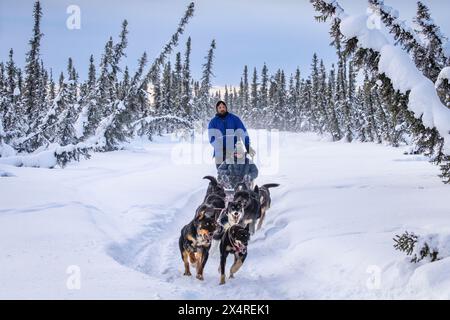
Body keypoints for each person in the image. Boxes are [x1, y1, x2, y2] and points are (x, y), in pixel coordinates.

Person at [208, 100, 255, 169]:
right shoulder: (213, 122)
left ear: (226, 108)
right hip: (220, 152)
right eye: (220, 107)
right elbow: (212, 138)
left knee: (238, 172)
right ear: (217, 109)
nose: (222, 109)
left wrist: (247, 146)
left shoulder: (235, 119)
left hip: (235, 150)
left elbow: (243, 132)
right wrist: (220, 148)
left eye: (223, 107)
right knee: (222, 173)